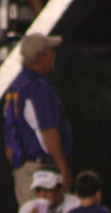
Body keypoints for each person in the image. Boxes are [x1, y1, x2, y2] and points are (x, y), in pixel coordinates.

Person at [5, 32, 73, 202]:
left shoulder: (16, 85)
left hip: (24, 170)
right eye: (50, 51)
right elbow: (48, 130)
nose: (54, 55)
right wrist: (63, 168)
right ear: (39, 57)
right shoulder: (37, 87)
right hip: (41, 171)